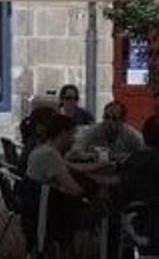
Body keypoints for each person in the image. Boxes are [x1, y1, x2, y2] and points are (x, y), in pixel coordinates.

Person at [24, 114, 100, 246]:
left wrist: (101, 166)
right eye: (73, 135)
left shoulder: (42, 149)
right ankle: (108, 258)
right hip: (51, 217)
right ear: (64, 133)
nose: (74, 140)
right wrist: (99, 186)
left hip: (36, 214)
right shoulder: (51, 155)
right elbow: (76, 191)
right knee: (105, 209)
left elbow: (74, 168)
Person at [76, 100, 144, 163]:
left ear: (123, 121)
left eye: (114, 118)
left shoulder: (132, 135)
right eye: (106, 117)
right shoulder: (93, 132)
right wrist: (94, 156)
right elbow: (74, 152)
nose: (109, 122)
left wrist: (126, 157)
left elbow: (145, 154)